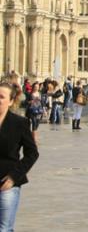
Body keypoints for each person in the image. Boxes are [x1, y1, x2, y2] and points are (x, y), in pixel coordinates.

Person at [0, 81, 39, 231]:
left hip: (7, 184)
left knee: (4, 228)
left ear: (10, 101)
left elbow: (32, 153)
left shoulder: (20, 123)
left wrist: (14, 177)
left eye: (1, 97)